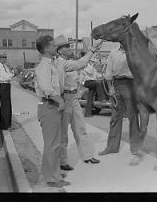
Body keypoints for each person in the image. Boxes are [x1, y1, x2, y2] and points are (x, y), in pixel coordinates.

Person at [53, 35, 101, 171]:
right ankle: (62, 161)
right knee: (63, 133)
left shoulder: (67, 62)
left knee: (80, 128)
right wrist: (92, 49)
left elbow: (79, 71)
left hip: (73, 98)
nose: (69, 48)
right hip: (64, 98)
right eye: (66, 46)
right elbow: (81, 63)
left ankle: (87, 156)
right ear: (59, 50)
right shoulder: (59, 63)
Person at [98, 44, 144, 165]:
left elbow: (141, 70)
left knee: (132, 117)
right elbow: (108, 71)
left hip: (131, 85)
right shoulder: (113, 53)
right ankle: (112, 147)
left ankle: (136, 148)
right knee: (115, 117)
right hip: (116, 85)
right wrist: (110, 88)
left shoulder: (135, 51)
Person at [34, 35, 70, 188]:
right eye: (54, 45)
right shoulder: (44, 66)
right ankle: (51, 179)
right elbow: (47, 88)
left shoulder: (52, 64)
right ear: (47, 48)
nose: (56, 47)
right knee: (52, 145)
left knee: (55, 143)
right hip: (49, 106)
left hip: (52, 106)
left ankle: (52, 174)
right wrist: (60, 100)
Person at [0, 52, 14, 130]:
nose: (5, 59)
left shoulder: (4, 66)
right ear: (0, 58)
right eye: (3, 58)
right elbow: (7, 77)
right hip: (3, 85)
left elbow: (10, 74)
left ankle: (8, 124)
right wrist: (11, 74)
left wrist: (11, 74)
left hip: (7, 85)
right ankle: (5, 126)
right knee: (5, 106)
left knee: (8, 105)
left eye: (5, 57)